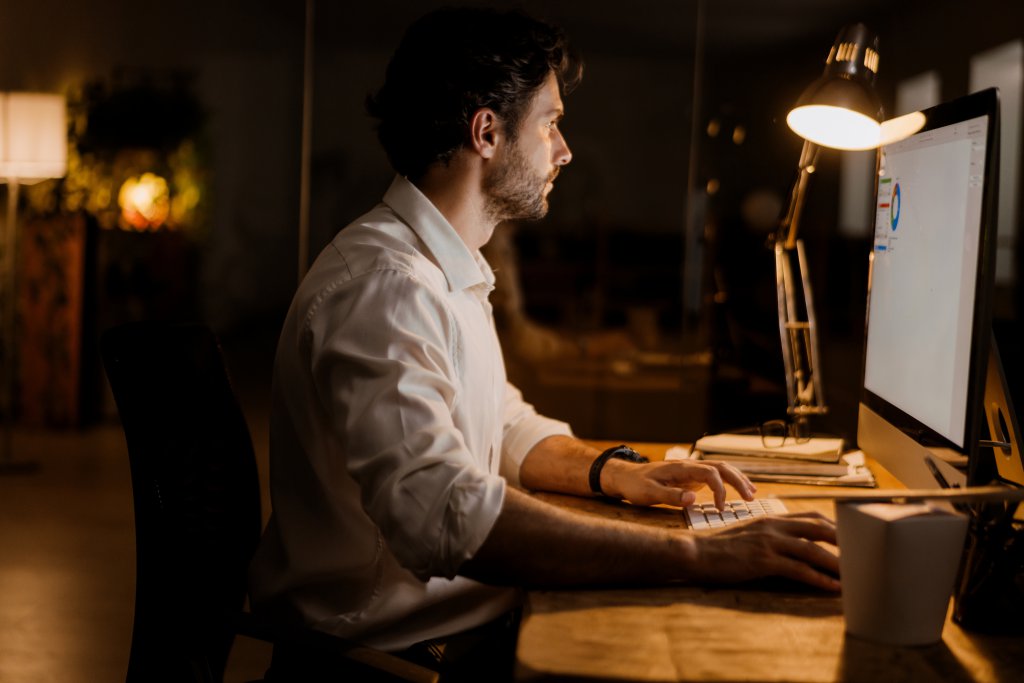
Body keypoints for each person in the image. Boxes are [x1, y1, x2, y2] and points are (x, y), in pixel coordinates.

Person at [249, 7, 839, 680]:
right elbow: (442, 513)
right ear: (487, 132)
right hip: (387, 662)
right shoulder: (386, 288)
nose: (565, 149)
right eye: (551, 122)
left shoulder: (444, 270)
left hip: (442, 635)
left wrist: (617, 471)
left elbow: (500, 421)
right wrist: (706, 555)